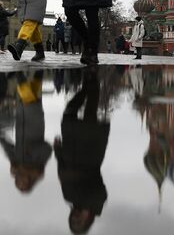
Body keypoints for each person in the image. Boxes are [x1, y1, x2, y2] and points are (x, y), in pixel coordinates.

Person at [54, 67, 109, 234]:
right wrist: (87, 206)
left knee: (69, 113)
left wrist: (58, 151)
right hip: (89, 153)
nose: (76, 218)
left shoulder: (68, 197)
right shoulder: (97, 203)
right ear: (87, 221)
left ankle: (87, 86)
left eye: (73, 221)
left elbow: (61, 173)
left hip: (71, 147)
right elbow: (99, 189)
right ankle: (92, 82)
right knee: (90, 112)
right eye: (79, 222)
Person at [0, 71, 52, 194]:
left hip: (22, 118)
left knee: (33, 93)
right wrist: (32, 150)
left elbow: (8, 149)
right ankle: (19, 75)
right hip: (35, 121)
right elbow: (48, 148)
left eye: (18, 183)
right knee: (29, 97)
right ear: (29, 182)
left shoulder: (17, 164)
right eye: (23, 184)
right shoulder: (38, 165)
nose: (20, 181)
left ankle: (38, 72)